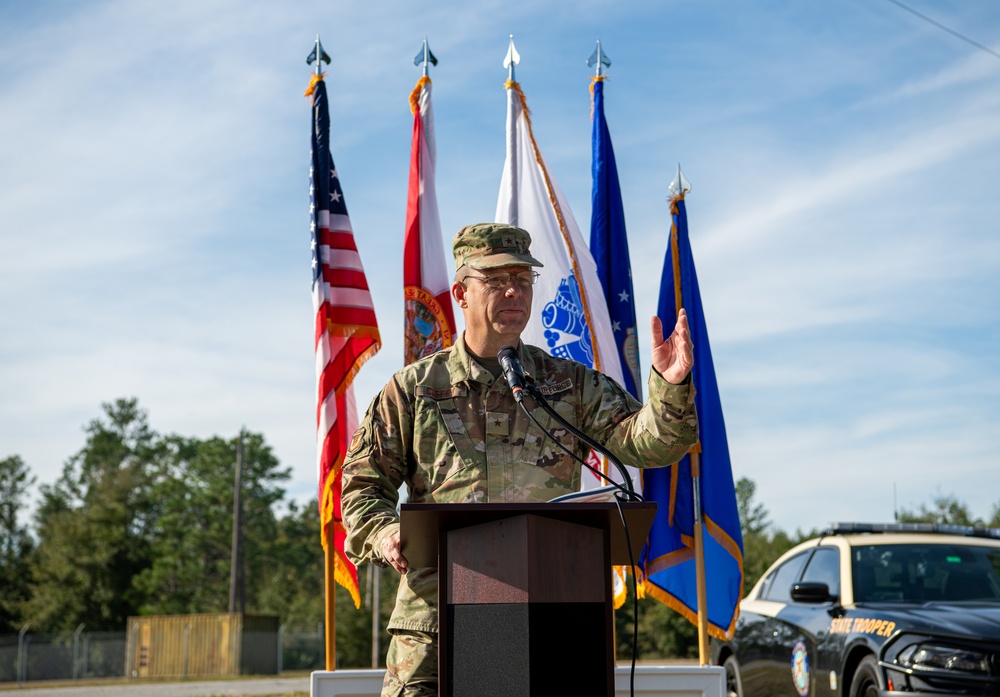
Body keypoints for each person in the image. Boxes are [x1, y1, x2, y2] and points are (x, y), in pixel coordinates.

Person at [342, 222, 698, 697]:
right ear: (460, 294)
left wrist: (669, 387)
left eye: (524, 280)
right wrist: (386, 532)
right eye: (495, 279)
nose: (514, 290)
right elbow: (363, 488)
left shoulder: (566, 384)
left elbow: (648, 444)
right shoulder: (412, 390)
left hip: (551, 614)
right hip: (436, 623)